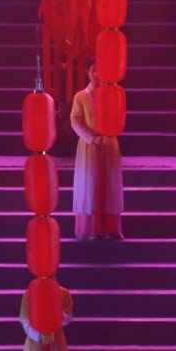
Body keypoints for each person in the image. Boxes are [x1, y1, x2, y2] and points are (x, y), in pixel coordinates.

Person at [69, 57, 123, 240]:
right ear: (87, 72)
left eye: (100, 70)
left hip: (108, 144)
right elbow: (75, 120)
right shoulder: (81, 96)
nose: (97, 74)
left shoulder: (111, 94)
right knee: (90, 185)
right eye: (93, 70)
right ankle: (91, 229)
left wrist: (109, 134)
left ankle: (110, 228)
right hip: (89, 147)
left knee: (110, 184)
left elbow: (118, 116)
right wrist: (92, 138)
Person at [18, 284, 72, 351]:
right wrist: (40, 334)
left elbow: (67, 319)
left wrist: (54, 311)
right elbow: (25, 320)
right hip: (35, 343)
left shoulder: (63, 293)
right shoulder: (29, 293)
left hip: (56, 341)